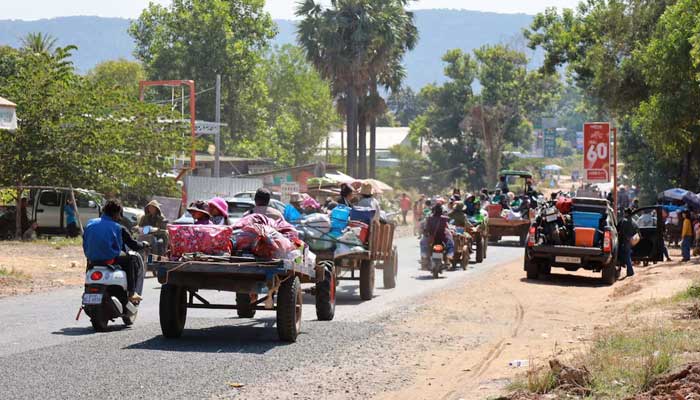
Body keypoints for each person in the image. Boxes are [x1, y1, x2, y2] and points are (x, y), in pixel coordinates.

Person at [83, 199, 148, 303]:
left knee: (90, 262)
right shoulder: (117, 227)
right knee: (130, 259)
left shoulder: (90, 223)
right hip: (110, 258)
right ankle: (132, 293)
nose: (120, 217)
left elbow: (85, 241)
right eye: (119, 214)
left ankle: (86, 288)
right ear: (116, 213)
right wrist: (144, 245)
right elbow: (118, 247)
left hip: (91, 258)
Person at [620, 208, 639, 277]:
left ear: (627, 213)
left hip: (626, 240)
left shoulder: (625, 221)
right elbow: (637, 230)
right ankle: (629, 271)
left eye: (625, 213)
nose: (624, 214)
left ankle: (630, 271)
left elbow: (622, 231)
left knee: (627, 255)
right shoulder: (633, 221)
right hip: (631, 240)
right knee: (627, 254)